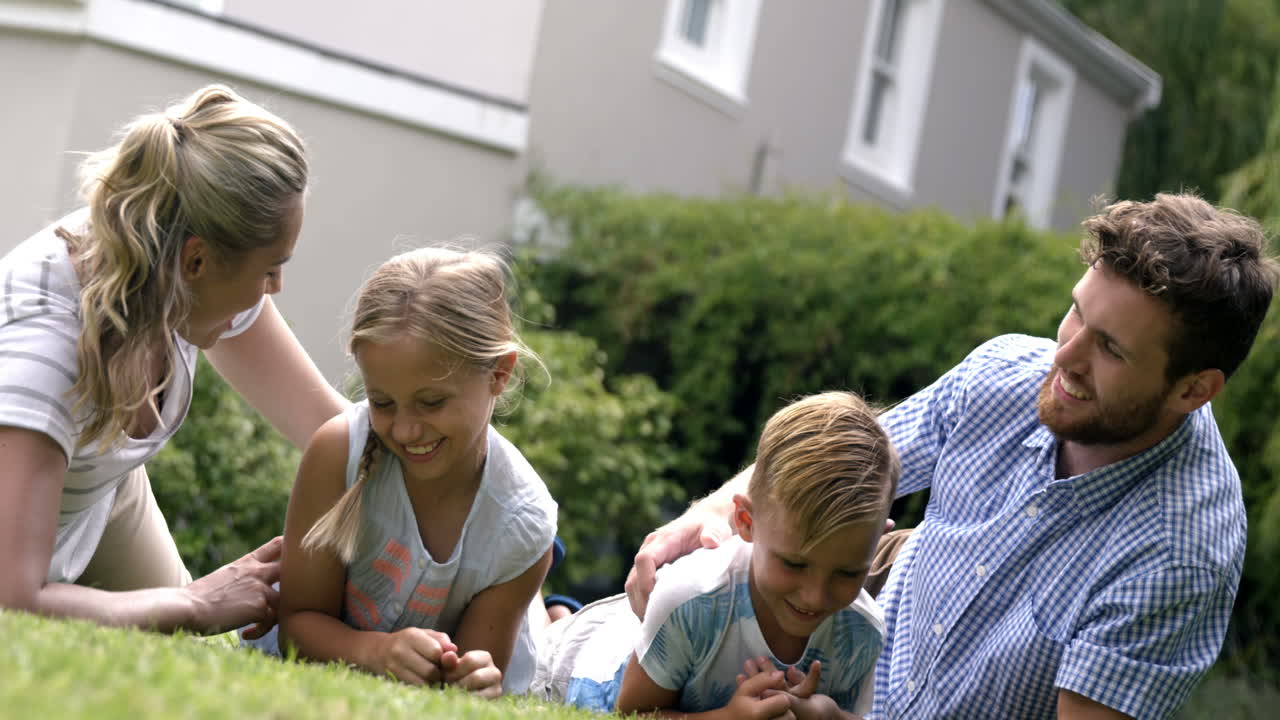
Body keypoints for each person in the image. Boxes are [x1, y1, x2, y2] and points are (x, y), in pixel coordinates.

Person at [624, 193, 1278, 719]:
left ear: (1193, 390)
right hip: (875, 602)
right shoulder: (1006, 373)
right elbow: (833, 459)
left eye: (1110, 349)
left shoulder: (1178, 555)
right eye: (1077, 314)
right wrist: (701, 518)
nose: (1065, 357)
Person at [0, 85, 347, 636]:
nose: (275, 288)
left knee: (187, 650)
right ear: (196, 261)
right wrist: (192, 603)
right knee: (182, 619)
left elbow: (333, 430)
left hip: (96, 488)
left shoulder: (172, 260)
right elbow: (12, 600)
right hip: (21, 525)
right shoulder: (45, 352)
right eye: (269, 270)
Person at [265, 247, 558, 699]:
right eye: (382, 402)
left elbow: (472, 678)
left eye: (432, 402)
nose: (404, 430)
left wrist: (471, 676)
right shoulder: (338, 452)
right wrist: (375, 652)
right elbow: (298, 625)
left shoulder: (524, 523)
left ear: (499, 374)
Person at [531, 391, 900, 719]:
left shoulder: (863, 631)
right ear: (746, 521)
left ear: (878, 539)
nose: (815, 596)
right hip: (586, 668)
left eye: (848, 573)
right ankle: (546, 598)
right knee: (535, 642)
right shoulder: (691, 599)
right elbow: (630, 714)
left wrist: (826, 715)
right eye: (794, 563)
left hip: (649, 639)